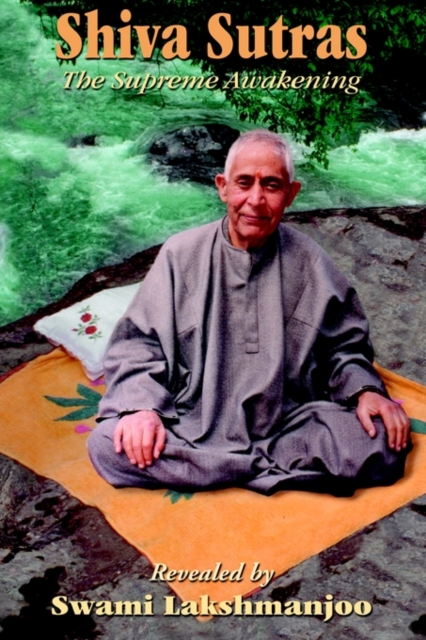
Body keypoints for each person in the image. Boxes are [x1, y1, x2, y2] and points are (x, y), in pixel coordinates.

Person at [88, 129, 410, 496]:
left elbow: (343, 347)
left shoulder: (310, 261)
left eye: (271, 186)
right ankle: (263, 470)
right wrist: (141, 409)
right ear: (223, 187)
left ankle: (220, 469)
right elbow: (138, 345)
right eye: (244, 183)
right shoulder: (181, 254)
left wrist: (364, 390)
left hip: (287, 422)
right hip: (194, 419)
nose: (255, 200)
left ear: (291, 194)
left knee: (383, 441)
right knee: (108, 443)